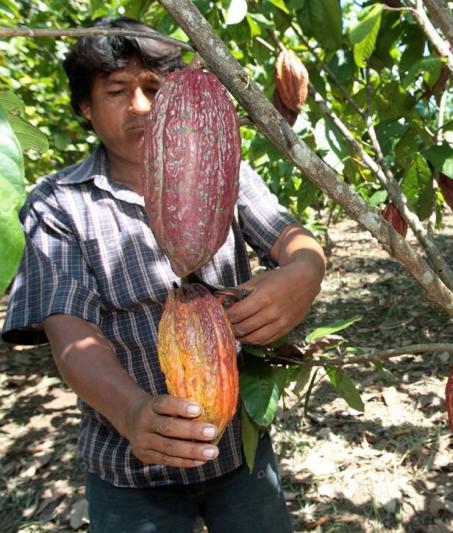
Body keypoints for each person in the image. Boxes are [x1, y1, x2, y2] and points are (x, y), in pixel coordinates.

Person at [1, 17, 326, 533]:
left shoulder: (222, 165)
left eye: (154, 88)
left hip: (236, 454)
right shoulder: (58, 202)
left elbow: (290, 236)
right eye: (116, 91)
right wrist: (131, 412)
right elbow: (70, 333)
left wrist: (307, 270)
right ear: (85, 106)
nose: (140, 107)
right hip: (127, 464)